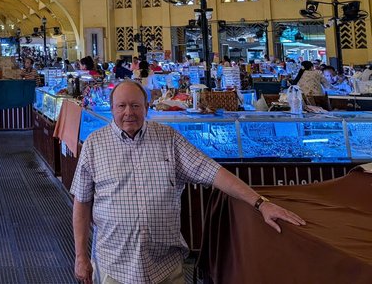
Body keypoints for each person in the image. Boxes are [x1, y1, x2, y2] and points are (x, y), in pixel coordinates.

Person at [71, 80, 305, 284]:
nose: (128, 112)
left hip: (165, 267)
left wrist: (260, 203)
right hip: (115, 267)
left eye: (135, 105)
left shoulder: (168, 139)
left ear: (146, 107)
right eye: (121, 106)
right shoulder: (94, 144)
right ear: (111, 108)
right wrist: (81, 257)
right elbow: (81, 204)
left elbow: (213, 172)